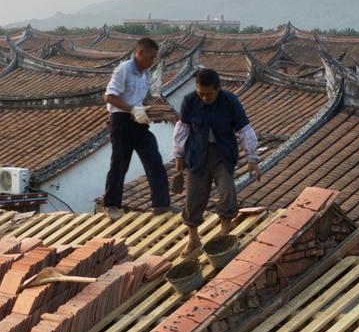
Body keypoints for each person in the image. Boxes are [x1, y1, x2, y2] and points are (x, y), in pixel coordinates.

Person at [173, 68, 262, 255]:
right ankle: (193, 239)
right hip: (197, 154)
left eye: (209, 94)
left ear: (218, 89)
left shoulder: (230, 101)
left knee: (226, 191)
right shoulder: (189, 101)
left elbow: (245, 130)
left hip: (223, 154)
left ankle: (224, 232)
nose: (204, 98)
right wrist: (179, 156)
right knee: (194, 197)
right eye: (201, 93)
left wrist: (252, 157)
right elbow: (182, 129)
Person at [101, 37, 171, 220]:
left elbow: (142, 100)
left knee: (154, 160)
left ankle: (161, 204)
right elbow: (109, 97)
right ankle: (111, 205)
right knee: (119, 164)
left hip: (139, 122)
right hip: (121, 120)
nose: (152, 61)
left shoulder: (146, 74)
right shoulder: (124, 70)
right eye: (151, 56)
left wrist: (156, 112)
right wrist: (132, 109)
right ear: (140, 53)